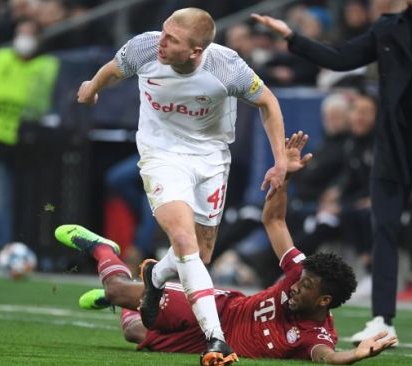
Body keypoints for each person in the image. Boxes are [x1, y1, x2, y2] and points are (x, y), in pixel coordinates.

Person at [253, 0, 412, 351]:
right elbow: (340, 58)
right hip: (392, 144)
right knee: (381, 227)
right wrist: (294, 38)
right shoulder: (387, 27)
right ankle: (382, 317)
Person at [54, 132, 397, 365]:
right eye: (300, 279)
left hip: (206, 344)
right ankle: (103, 251)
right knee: (115, 290)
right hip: (217, 310)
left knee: (132, 332)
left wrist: (351, 355)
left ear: (323, 301)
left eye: (305, 287)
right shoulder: (298, 271)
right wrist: (285, 179)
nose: (295, 284)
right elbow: (275, 222)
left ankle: (137, 292)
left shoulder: (314, 334)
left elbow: (326, 355)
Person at [76, 8, 287, 365]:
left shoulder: (226, 67)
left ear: (196, 50)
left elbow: (268, 101)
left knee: (201, 257)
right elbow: (114, 69)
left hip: (211, 159)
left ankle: (154, 277)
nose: (161, 41)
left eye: (172, 39)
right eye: (163, 32)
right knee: (184, 241)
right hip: (161, 154)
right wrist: (92, 88)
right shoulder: (145, 48)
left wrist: (280, 159)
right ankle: (216, 339)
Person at [0, 19, 59, 248]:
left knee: (30, 199)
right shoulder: (0, 59)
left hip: (32, 141)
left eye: (29, 33)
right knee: (2, 199)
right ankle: (4, 247)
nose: (23, 39)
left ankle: (30, 244)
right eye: (20, 33)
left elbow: (39, 100)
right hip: (1, 138)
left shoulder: (47, 65)